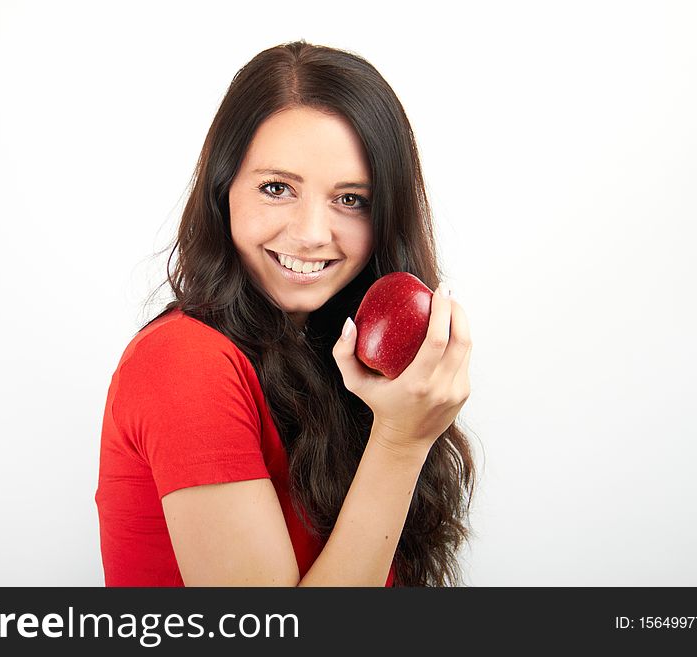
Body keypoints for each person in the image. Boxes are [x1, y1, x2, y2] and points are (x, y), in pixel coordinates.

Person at [95, 40, 476, 587]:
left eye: (351, 200)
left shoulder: (330, 358)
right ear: (223, 190)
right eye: (277, 188)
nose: (311, 234)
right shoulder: (184, 363)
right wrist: (402, 441)